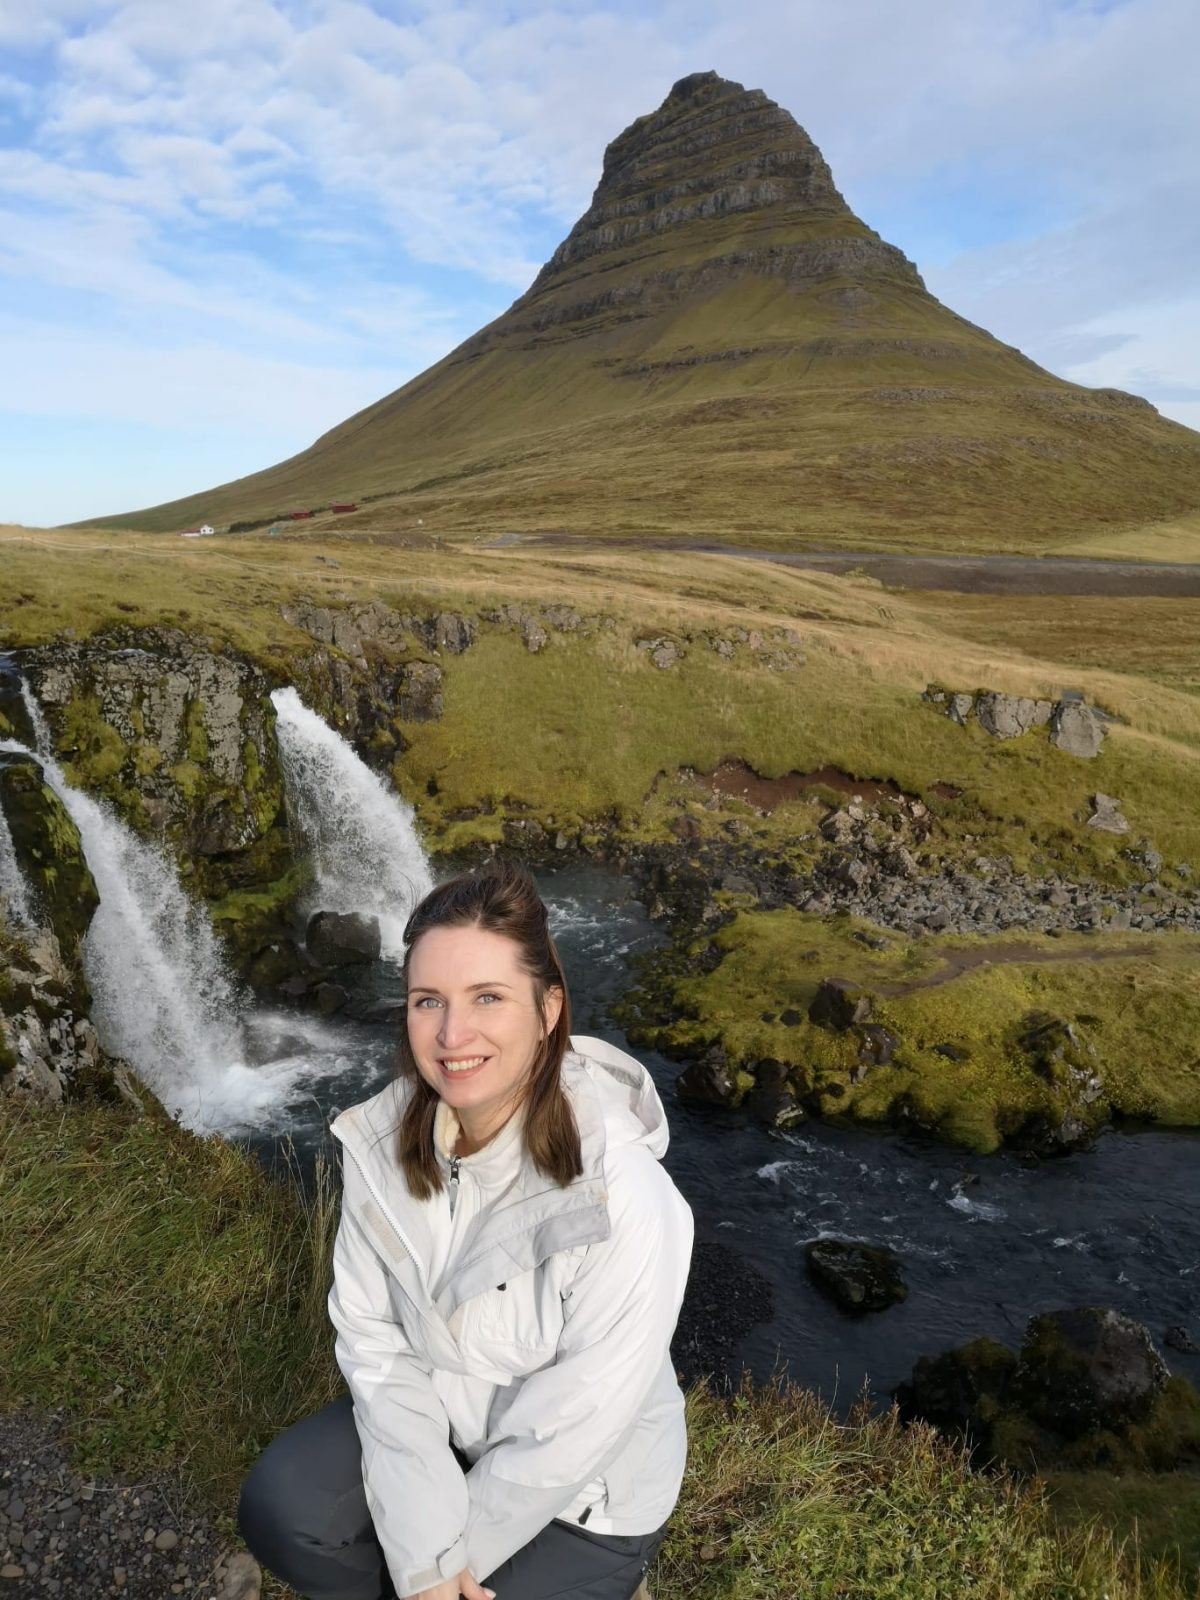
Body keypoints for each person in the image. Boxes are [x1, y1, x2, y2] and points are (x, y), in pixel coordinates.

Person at [238, 861, 695, 1600]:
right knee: (282, 1510)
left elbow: (572, 1430)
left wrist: (452, 1565)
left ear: (548, 1011)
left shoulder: (625, 1196)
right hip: (445, 1434)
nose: (454, 1035)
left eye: (488, 997)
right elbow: (375, 1346)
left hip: (587, 1496)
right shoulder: (380, 1145)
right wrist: (426, 1557)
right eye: (428, 1001)